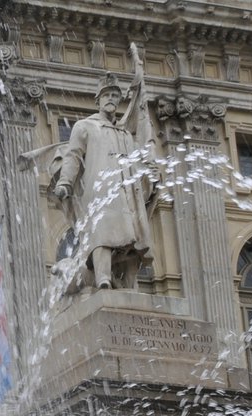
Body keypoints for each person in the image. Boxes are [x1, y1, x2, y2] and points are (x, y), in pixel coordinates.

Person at [49, 70, 155, 291]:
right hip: (101, 190)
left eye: (114, 95)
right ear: (98, 100)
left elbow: (136, 157)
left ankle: (128, 283)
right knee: (102, 232)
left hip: (127, 191)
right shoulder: (85, 126)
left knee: (135, 237)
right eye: (106, 95)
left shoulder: (124, 132)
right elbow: (73, 155)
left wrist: (149, 171)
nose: (110, 99)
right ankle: (103, 278)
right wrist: (65, 182)